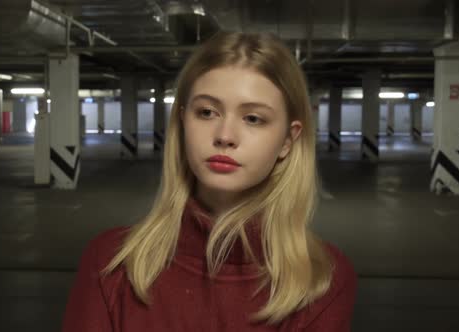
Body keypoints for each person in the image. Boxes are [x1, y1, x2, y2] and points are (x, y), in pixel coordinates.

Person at [62, 31, 357, 332]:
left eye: (253, 118)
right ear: (182, 122)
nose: (225, 136)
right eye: (206, 112)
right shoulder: (111, 263)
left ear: (287, 141)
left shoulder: (323, 279)